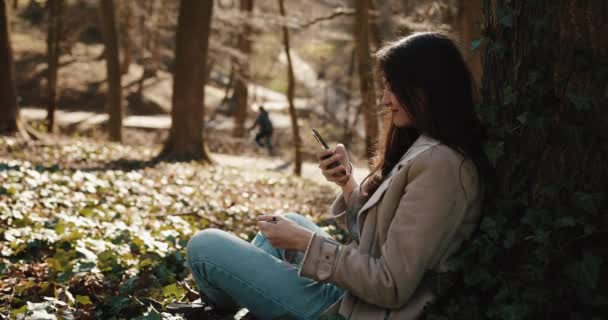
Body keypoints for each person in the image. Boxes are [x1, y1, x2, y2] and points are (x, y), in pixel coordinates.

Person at [182, 32, 490, 320]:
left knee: (204, 246)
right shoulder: (428, 148)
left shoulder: (441, 165)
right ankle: (248, 305)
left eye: (394, 87)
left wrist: (307, 242)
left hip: (357, 311)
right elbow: (379, 238)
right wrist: (347, 184)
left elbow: (391, 285)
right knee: (281, 222)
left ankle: (224, 308)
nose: (385, 99)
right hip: (354, 295)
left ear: (428, 88)